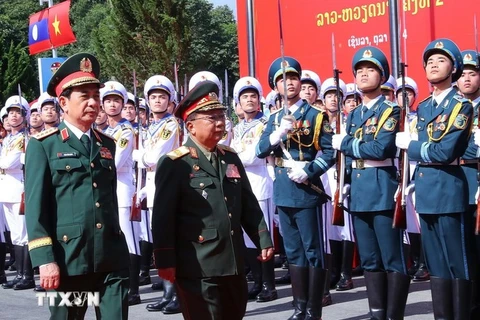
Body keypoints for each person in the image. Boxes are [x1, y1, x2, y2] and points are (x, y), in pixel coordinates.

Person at [152, 80, 274, 319]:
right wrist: (165, 259)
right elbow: (163, 217)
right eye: (211, 118)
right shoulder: (175, 163)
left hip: (233, 262)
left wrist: (262, 238)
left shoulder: (230, 158)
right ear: (191, 126)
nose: (220, 123)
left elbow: (247, 203)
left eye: (221, 116)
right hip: (197, 265)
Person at [24, 53, 130, 319]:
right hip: (69, 258)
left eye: (96, 95)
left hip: (110, 257)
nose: (93, 103)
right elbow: (36, 208)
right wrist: (45, 259)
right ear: (63, 102)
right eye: (84, 96)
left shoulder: (107, 144)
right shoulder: (43, 145)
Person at [396, 39, 475, 319]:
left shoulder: (461, 106)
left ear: (454, 69)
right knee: (437, 265)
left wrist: (412, 146)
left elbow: (444, 150)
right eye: (429, 60)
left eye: (441, 60)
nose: (433, 64)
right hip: (427, 191)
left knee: (458, 263)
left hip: (449, 189)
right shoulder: (426, 106)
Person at [332, 46, 409, 319]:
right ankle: (377, 312)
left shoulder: (391, 110)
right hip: (360, 194)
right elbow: (350, 158)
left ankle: (393, 315)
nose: (364, 75)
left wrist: (349, 143)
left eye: (370, 70)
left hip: (382, 189)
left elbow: (380, 149)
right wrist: (346, 183)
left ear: (383, 75)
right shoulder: (352, 115)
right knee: (370, 260)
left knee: (392, 258)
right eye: (359, 71)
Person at [257, 56, 335, 320]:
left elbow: (329, 152)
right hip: (283, 189)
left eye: (292, 78)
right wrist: (278, 133)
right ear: (275, 86)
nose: (288, 83)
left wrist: (309, 170)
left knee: (313, 249)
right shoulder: (274, 118)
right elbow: (260, 150)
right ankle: (299, 307)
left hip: (306, 188)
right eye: (282, 79)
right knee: (292, 252)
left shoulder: (316, 114)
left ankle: (314, 309)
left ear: (300, 82)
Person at [132, 74, 181, 314]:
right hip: (153, 187)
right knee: (161, 243)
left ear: (170, 100)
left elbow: (155, 157)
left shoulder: (170, 125)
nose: (158, 101)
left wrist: (138, 156)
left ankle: (178, 294)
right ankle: (167, 293)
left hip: (167, 186)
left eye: (162, 97)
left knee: (171, 242)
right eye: (153, 97)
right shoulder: (151, 127)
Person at [231, 76, 277, 303]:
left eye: (253, 96)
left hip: (260, 182)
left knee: (262, 235)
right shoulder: (238, 127)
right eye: (244, 97)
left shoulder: (265, 123)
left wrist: (239, 158)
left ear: (259, 100)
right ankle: (257, 281)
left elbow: (255, 154)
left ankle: (269, 284)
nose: (249, 100)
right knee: (248, 238)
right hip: (242, 182)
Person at [100, 80, 142, 306]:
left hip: (123, 185)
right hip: (109, 188)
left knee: (130, 240)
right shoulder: (104, 131)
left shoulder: (125, 130)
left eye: (117, 100)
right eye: (108, 101)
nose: (113, 105)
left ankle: (133, 289)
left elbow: (113, 163)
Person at [1, 96, 34, 291]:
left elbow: (8, 163)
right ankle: (20, 274)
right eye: (11, 112)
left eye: (18, 112)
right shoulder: (9, 139)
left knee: (24, 234)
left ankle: (27, 275)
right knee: (15, 236)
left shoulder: (24, 138)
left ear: (25, 116)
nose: (14, 116)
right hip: (7, 190)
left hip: (19, 189)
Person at [457, 49, 480, 317]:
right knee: (462, 250)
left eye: (472, 74)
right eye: (462, 74)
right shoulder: (452, 107)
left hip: (475, 179)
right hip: (456, 182)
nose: (466, 79)